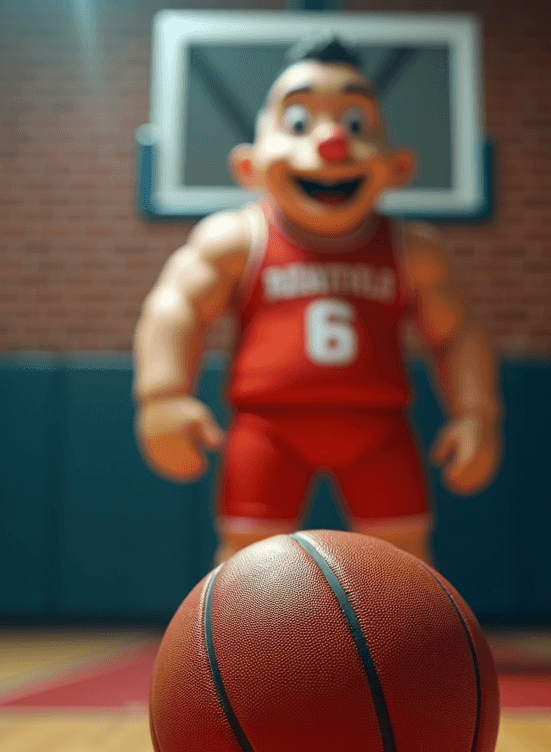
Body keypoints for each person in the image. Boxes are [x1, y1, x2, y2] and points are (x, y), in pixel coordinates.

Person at [133, 36, 502, 565]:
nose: (331, 143)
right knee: (247, 556)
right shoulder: (237, 237)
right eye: (300, 123)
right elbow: (175, 307)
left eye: (354, 124)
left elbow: (458, 331)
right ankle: (239, 651)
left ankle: (409, 649)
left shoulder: (413, 248)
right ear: (249, 165)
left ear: (398, 165)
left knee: (404, 557)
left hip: (378, 428)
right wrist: (162, 397)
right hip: (268, 428)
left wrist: (476, 414)